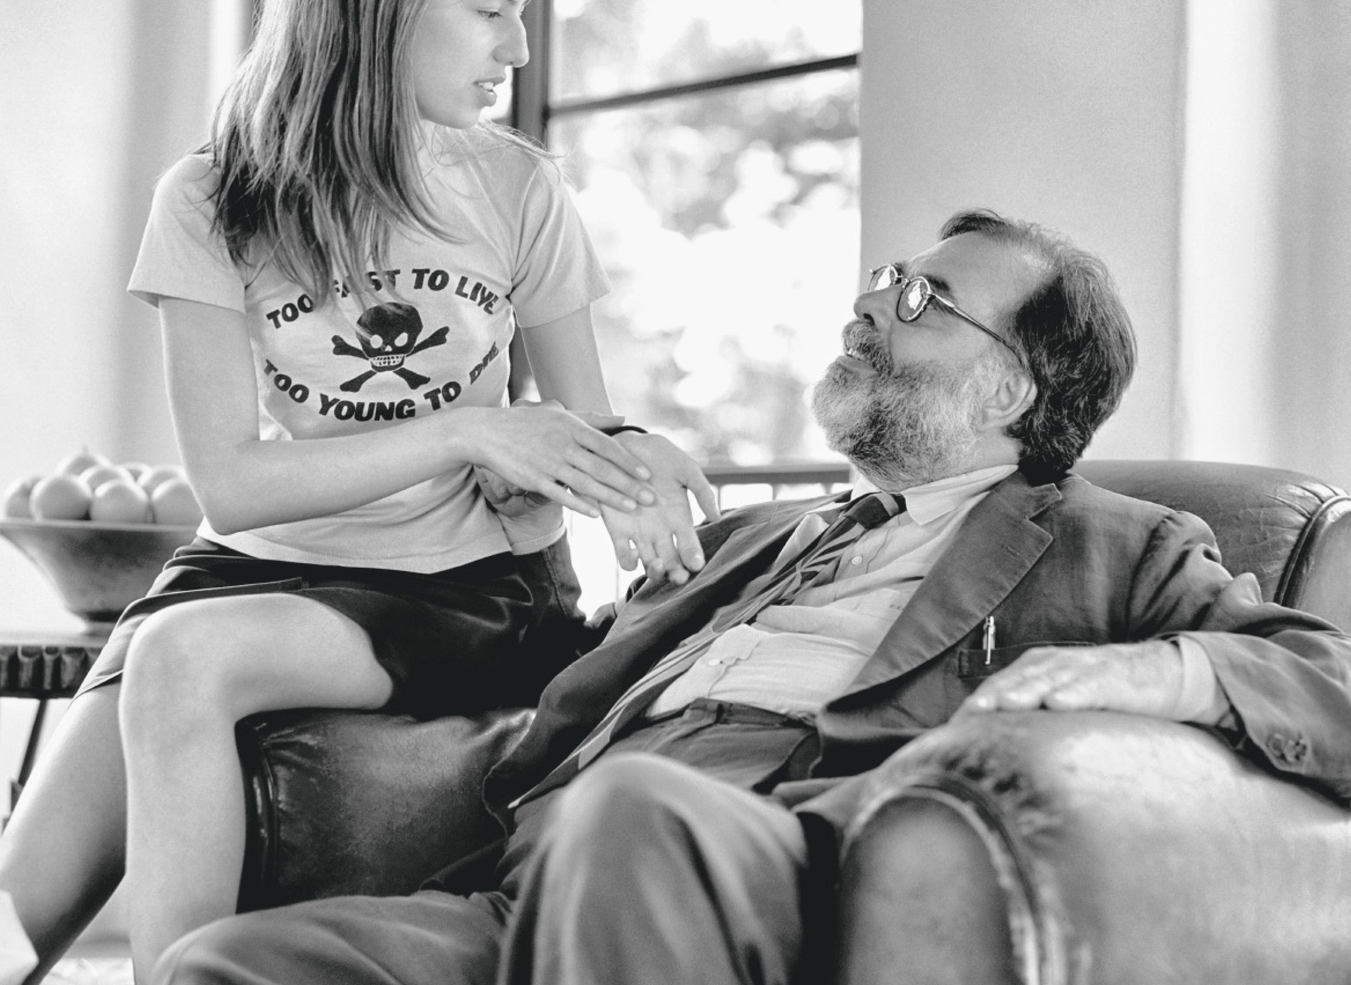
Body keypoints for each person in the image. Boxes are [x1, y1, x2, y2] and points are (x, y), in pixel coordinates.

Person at [153, 209, 1351, 985]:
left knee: (637, 811)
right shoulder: (751, 538)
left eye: (924, 298)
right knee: (226, 965)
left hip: (786, 861)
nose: (870, 301)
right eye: (887, 276)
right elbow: (556, 669)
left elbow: (1325, 678)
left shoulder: (1116, 543)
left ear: (1005, 388)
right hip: (525, 879)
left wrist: (1160, 670)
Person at [0, 0, 716, 985]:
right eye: (488, 9)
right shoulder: (214, 197)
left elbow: (585, 423)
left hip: (468, 590)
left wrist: (635, 472)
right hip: (245, 572)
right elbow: (231, 484)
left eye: (521, 12)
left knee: (178, 658)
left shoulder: (517, 189)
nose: (514, 48)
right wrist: (466, 428)